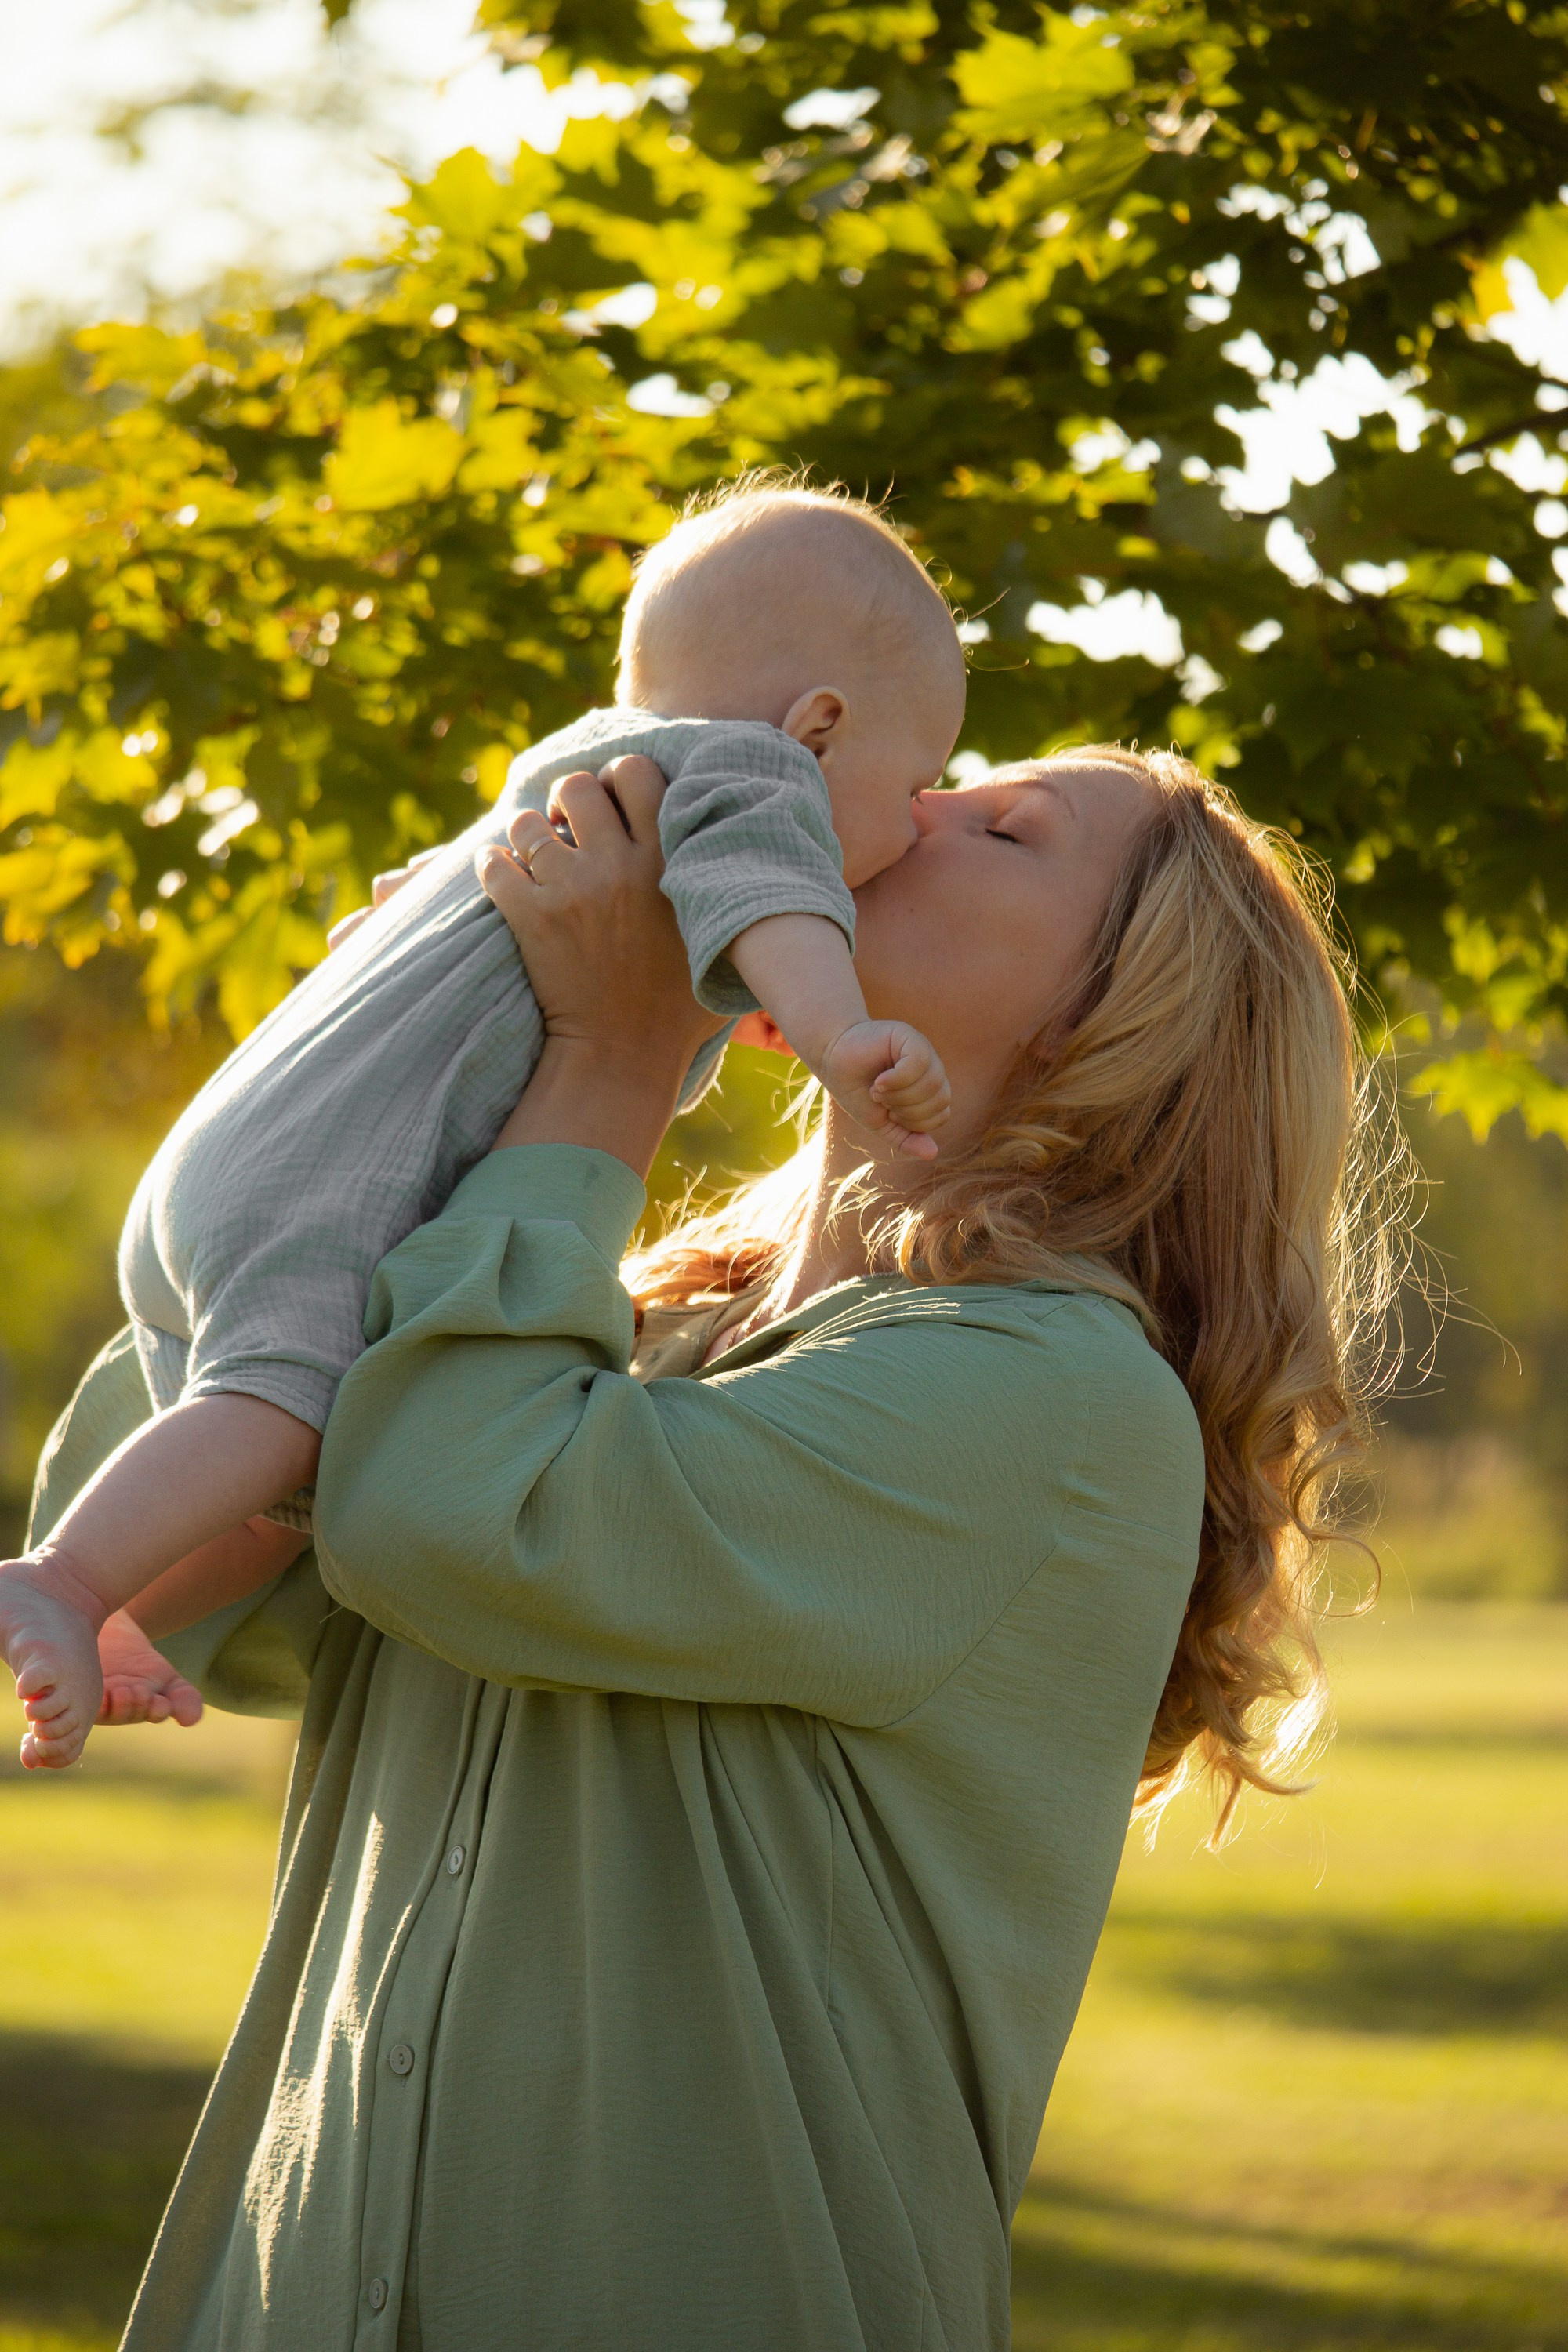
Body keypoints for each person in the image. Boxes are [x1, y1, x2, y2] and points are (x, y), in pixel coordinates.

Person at [27, 740, 1389, 2350]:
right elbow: (206, 1579)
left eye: (1005, 827)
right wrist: (407, 1042)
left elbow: (454, 1518)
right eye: (941, 774)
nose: (909, 800)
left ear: (1115, 1021)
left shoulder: (1055, 1400)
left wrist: (612, 1042)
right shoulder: (622, 1330)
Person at [2, 479, 965, 1769]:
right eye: (924, 782)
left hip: (245, 1157)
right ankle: (61, 1581)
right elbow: (774, 893)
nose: (920, 824)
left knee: (313, 1449)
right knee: (280, 1402)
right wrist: (843, 1033)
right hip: (326, 1186)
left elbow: (422, 900)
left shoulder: (575, 766)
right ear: (822, 727)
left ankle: (129, 1620)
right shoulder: (753, 768)